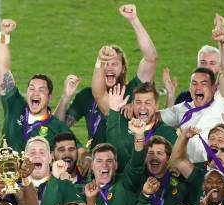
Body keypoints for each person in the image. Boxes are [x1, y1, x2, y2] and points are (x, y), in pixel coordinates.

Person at [57, 4, 158, 149]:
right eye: (106, 63)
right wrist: (65, 97)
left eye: (114, 64)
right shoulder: (86, 95)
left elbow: (151, 58)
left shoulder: (135, 90)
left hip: (130, 155)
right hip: (97, 160)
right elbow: (60, 127)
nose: (109, 68)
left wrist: (134, 20)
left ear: (123, 69)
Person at [158, 21, 224, 164]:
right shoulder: (182, 106)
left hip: (217, 166)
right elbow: (156, 118)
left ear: (214, 87)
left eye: (204, 83)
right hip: (188, 169)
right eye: (194, 83)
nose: (198, 87)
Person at [0, 18, 75, 152]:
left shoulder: (55, 125)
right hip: (6, 171)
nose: (35, 93)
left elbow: (76, 151)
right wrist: (4, 35)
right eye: (31, 88)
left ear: (49, 97)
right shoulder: (14, 105)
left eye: (41, 90)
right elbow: (2, 68)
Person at [105, 82, 177, 165]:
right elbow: (113, 151)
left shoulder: (166, 131)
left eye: (147, 103)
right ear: (132, 104)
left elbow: (175, 162)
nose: (142, 107)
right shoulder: (120, 124)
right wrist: (114, 110)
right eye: (138, 102)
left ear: (156, 105)